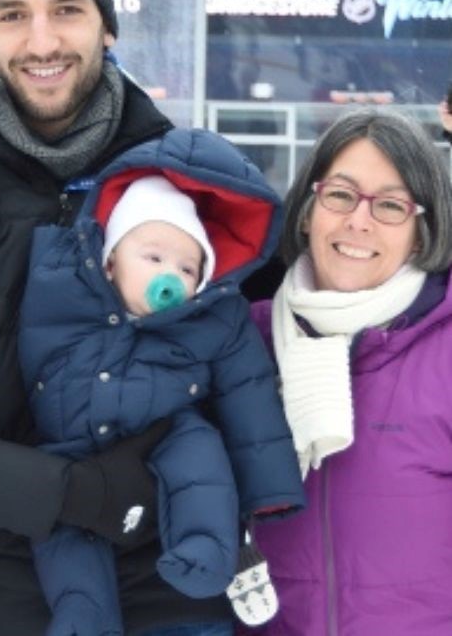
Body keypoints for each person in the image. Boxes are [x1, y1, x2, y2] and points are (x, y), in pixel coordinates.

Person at [0, 0, 292, 636]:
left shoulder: (188, 180)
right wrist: (69, 492)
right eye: (12, 15)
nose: (41, 40)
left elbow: (299, 304)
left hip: (176, 583)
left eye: (66, 9)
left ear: (107, 24)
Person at [17, 127, 305, 636]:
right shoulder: (61, 286)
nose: (169, 274)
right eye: (152, 257)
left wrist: (268, 489)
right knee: (59, 528)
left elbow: (249, 393)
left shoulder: (213, 316)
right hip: (69, 447)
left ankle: (206, 551)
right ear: (108, 259)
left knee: (201, 456)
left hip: (164, 429)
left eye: (188, 267)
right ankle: (83, 616)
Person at [239, 108, 452, 635]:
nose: (359, 220)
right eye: (340, 195)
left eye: (390, 205)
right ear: (308, 211)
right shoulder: (241, 344)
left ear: (421, 235)